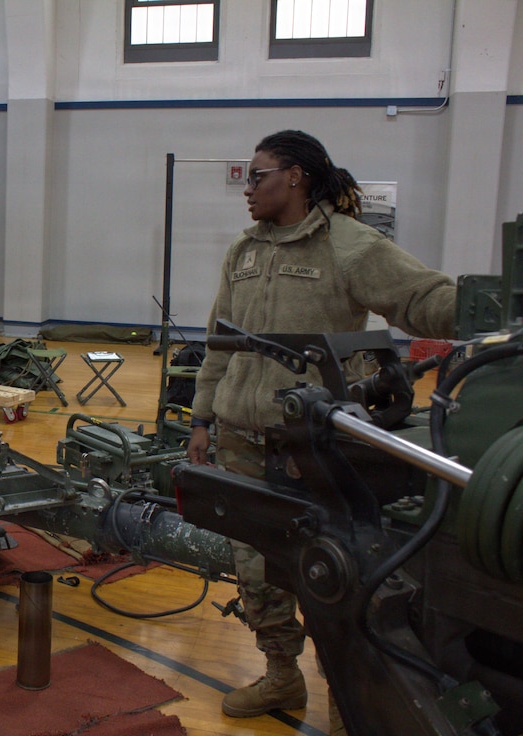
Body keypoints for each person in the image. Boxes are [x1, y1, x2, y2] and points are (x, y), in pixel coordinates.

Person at [185, 130, 455, 728]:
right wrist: (203, 416)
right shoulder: (244, 251)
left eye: (258, 176)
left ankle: (347, 705)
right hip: (240, 437)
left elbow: (420, 296)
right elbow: (219, 342)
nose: (248, 189)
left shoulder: (348, 246)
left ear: (297, 176)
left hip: (315, 445)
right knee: (257, 571)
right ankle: (282, 676)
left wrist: (484, 308)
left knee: (335, 576)